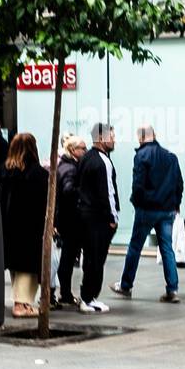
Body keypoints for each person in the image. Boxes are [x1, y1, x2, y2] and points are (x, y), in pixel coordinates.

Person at [110, 125, 184, 304]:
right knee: (167, 248)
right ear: (155, 135)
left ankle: (126, 285)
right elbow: (179, 183)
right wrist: (176, 204)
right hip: (167, 210)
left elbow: (138, 184)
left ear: (140, 139)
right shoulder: (170, 156)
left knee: (135, 247)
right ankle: (172, 289)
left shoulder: (141, 156)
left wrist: (138, 203)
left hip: (147, 210)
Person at [0, 132, 51, 317]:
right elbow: (45, 203)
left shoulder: (2, 171)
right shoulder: (39, 173)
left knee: (15, 265)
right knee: (28, 267)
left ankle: (23, 303)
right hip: (30, 227)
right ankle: (21, 305)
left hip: (6, 225)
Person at [76, 123, 119, 313]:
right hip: (99, 218)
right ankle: (89, 298)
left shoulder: (85, 158)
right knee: (96, 259)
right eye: (112, 136)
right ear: (101, 139)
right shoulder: (103, 161)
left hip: (85, 216)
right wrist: (113, 217)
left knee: (90, 258)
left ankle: (88, 296)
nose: (114, 140)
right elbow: (108, 193)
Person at [54, 134, 87, 307]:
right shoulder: (70, 168)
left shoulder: (68, 165)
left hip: (67, 219)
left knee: (68, 255)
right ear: (73, 150)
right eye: (83, 148)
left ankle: (64, 292)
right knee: (68, 256)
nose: (86, 150)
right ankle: (65, 292)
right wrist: (83, 192)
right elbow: (68, 190)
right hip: (71, 219)